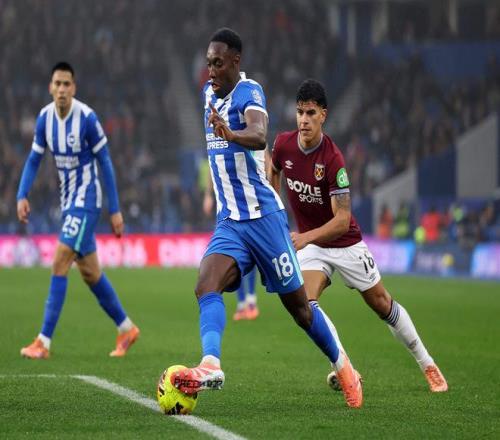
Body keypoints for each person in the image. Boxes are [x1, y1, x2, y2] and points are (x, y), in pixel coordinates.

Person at [171, 28, 362, 408]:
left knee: (301, 310)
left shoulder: (249, 92)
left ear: (235, 61)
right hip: (230, 221)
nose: (211, 70)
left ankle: (345, 369)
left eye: (218, 63)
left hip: (264, 220)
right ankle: (211, 364)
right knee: (206, 284)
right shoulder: (207, 94)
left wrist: (231, 133)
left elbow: (259, 135)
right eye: (208, 63)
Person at [269, 79, 448, 393]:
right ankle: (345, 368)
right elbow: (274, 169)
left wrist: (305, 237)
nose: (303, 120)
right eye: (299, 112)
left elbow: (342, 221)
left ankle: (428, 364)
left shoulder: (332, 159)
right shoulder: (284, 144)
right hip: (312, 246)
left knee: (382, 304)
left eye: (310, 113)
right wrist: (276, 209)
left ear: (323, 115)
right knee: (306, 305)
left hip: (345, 243)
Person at [16, 62, 139, 359]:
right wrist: (21, 194)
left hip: (87, 201)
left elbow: (105, 162)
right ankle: (126, 328)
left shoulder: (86, 118)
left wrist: (115, 209)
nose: (61, 89)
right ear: (50, 87)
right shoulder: (45, 119)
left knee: (60, 260)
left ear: (74, 88)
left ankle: (43, 342)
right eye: (57, 84)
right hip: (68, 201)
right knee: (90, 273)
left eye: (66, 84)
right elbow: (33, 160)